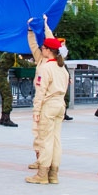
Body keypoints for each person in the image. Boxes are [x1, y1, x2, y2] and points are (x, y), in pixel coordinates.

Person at [25, 23, 69, 185]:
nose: (41, 49)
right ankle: (53, 174)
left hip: (48, 105)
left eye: (44, 47)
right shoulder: (61, 68)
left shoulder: (46, 68)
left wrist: (36, 110)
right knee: (56, 140)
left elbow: (41, 92)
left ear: (49, 50)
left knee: (45, 140)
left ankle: (42, 173)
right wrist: (35, 28)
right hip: (59, 105)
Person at [27, 14, 55, 170]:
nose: (41, 48)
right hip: (41, 101)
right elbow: (32, 45)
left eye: (44, 47)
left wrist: (45, 24)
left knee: (45, 134)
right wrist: (30, 30)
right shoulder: (41, 59)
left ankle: (46, 164)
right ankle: (40, 160)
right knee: (38, 133)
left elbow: (51, 39)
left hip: (47, 102)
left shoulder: (54, 64)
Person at [0, 51, 27, 127]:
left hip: (0, 74)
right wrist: (35, 64)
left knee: (5, 97)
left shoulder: (9, 51)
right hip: (1, 74)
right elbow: (24, 64)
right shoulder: (13, 53)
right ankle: (6, 119)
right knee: (8, 97)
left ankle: (3, 118)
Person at [58, 38, 73, 121]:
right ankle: (61, 113)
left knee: (66, 97)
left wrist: (69, 78)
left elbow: (65, 68)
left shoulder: (62, 58)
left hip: (64, 80)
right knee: (62, 96)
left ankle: (64, 113)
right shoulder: (58, 57)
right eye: (63, 44)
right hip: (60, 80)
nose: (65, 46)